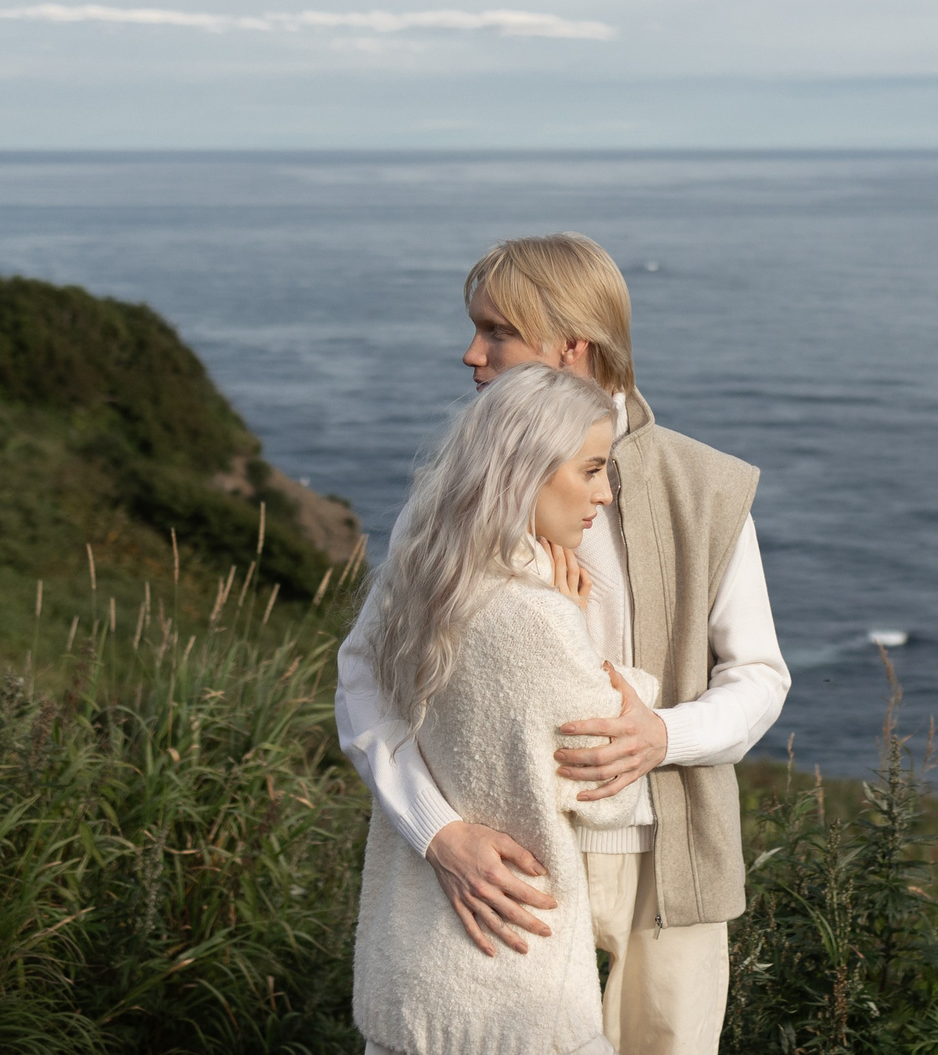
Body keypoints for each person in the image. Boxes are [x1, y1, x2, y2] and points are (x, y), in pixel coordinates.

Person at [338, 233, 790, 1055]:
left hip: (668, 864)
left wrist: (663, 734)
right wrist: (437, 829)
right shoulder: (455, 493)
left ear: (569, 346)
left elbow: (760, 675)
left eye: (495, 331)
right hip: (508, 865)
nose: (471, 353)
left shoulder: (707, 486)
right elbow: (365, 672)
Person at [350, 365, 658, 1054]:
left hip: (410, 976)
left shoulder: (425, 580)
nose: (604, 493)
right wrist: (597, 650)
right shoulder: (542, 619)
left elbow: (364, 693)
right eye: (592, 469)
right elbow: (606, 792)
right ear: (527, 471)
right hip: (514, 979)